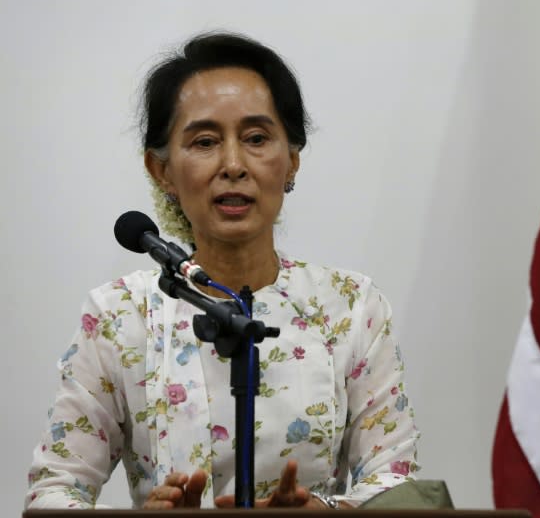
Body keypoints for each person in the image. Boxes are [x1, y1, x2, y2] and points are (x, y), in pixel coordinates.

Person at [25, 32, 420, 510]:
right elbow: (53, 494)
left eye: (256, 139)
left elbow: (397, 486)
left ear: (291, 161)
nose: (233, 165)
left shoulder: (351, 306)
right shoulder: (118, 316)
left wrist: (330, 513)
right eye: (206, 142)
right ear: (161, 170)